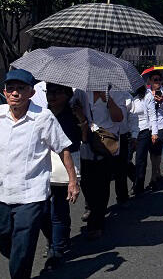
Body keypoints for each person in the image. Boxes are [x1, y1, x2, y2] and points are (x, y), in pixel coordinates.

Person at [0, 70, 79, 279]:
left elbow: (63, 148)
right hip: (2, 192)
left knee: (23, 244)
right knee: (5, 237)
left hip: (31, 194)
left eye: (21, 89)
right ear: (4, 92)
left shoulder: (43, 117)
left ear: (31, 92)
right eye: (11, 88)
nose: (15, 93)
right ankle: (19, 257)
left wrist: (73, 181)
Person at [40, 83, 84, 270]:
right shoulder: (41, 114)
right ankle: (56, 239)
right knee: (42, 211)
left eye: (57, 92)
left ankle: (56, 248)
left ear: (67, 95)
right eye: (50, 92)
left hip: (63, 167)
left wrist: (81, 120)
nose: (52, 96)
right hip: (41, 166)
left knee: (58, 207)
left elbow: (81, 140)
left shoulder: (72, 114)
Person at [80, 86, 124, 239]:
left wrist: (108, 100)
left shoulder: (114, 92)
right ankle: (93, 209)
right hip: (86, 142)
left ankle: (96, 222)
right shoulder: (81, 91)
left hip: (105, 144)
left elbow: (119, 117)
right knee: (85, 182)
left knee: (102, 183)